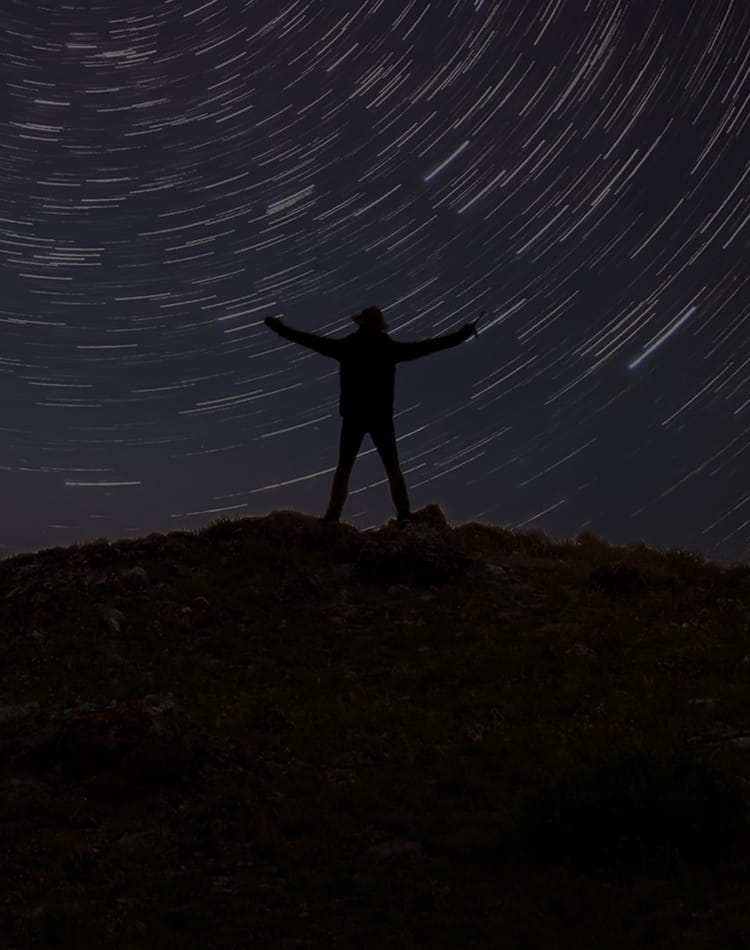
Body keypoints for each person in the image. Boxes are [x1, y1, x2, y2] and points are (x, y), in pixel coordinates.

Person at [264, 306, 477, 524]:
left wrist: (280, 329)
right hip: (380, 417)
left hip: (353, 416)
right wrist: (462, 335)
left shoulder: (347, 346)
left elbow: (311, 341)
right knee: (392, 467)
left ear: (361, 324)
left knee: (345, 466)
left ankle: (333, 514)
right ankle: (403, 513)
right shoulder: (389, 349)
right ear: (378, 326)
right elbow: (429, 346)